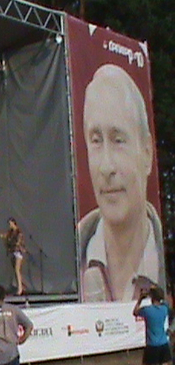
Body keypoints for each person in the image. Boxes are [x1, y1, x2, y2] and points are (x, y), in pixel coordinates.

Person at [79, 64, 165, 302]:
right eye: (96, 141)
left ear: (147, 154)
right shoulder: (68, 265)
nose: (106, 167)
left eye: (118, 140)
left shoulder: (163, 263)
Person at [133, 287, 172, 365]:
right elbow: (166, 303)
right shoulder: (164, 308)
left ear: (152, 297)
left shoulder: (147, 310)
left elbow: (135, 312)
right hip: (164, 343)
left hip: (152, 345)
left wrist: (140, 299)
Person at [0, 218, 25, 295]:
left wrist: (12, 243)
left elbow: (18, 242)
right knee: (16, 271)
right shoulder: (10, 232)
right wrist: (0, 235)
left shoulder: (18, 232)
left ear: (13, 223)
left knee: (17, 269)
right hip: (13, 252)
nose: (9, 225)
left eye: (10, 223)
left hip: (18, 251)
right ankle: (20, 286)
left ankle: (20, 289)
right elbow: (5, 236)